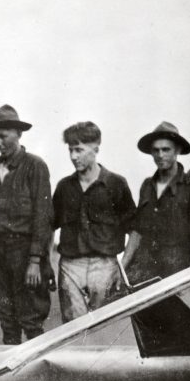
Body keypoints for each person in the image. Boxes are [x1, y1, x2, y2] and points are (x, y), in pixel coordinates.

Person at [0, 104, 53, 344]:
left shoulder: (35, 166)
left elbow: (43, 217)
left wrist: (35, 261)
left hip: (25, 254)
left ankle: (38, 377)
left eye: (3, 136)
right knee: (6, 319)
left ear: (18, 134)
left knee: (31, 319)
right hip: (0, 253)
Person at [52, 121, 136, 322]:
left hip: (105, 265)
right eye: (71, 150)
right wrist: (48, 263)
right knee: (72, 328)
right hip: (70, 265)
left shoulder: (116, 184)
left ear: (96, 148)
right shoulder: (64, 187)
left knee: (102, 326)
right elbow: (49, 226)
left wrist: (122, 265)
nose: (73, 156)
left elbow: (134, 229)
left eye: (79, 150)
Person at [124, 121, 190, 284]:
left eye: (166, 149)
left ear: (177, 150)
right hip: (143, 272)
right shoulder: (147, 185)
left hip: (175, 272)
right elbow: (137, 231)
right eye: (156, 150)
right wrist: (122, 269)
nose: (160, 155)